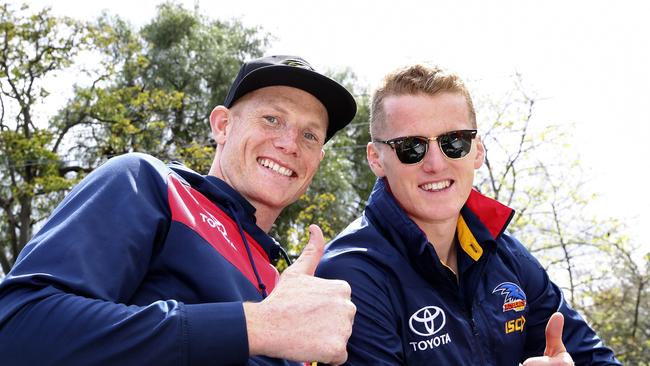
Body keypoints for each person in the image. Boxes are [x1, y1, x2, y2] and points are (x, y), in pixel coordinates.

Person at [0, 55, 357, 366]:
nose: (289, 144)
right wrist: (257, 326)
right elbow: (17, 331)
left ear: (317, 161)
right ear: (223, 125)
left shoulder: (280, 283)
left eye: (310, 135)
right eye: (272, 119)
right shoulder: (149, 183)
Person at [316, 64, 621, 365]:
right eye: (411, 147)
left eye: (454, 141)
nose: (435, 163)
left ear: (477, 151)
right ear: (376, 159)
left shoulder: (507, 256)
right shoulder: (349, 274)